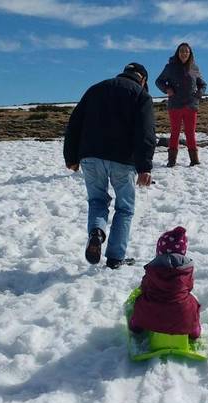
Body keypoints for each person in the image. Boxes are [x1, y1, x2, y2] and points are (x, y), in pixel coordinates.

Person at [64, 63, 155, 269]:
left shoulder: (95, 89)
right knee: (125, 208)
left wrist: (71, 157)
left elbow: (74, 123)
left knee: (97, 200)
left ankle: (97, 232)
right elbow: (146, 133)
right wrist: (145, 167)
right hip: (122, 159)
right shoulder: (141, 95)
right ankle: (115, 257)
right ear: (143, 80)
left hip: (90, 156)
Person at [129, 226, 201, 339]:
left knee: (140, 302)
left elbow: (144, 287)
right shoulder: (186, 269)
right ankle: (193, 330)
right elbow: (189, 287)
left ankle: (136, 326)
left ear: (159, 250)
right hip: (181, 318)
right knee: (192, 303)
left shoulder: (153, 268)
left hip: (151, 317)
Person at [155, 42, 207, 167]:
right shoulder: (170, 67)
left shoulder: (194, 68)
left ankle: (194, 160)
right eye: (182, 51)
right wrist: (167, 89)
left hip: (191, 105)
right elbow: (159, 81)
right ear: (178, 53)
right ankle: (171, 161)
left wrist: (199, 93)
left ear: (190, 54)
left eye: (186, 51)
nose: (184, 53)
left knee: (190, 133)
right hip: (175, 105)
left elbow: (203, 84)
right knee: (175, 132)